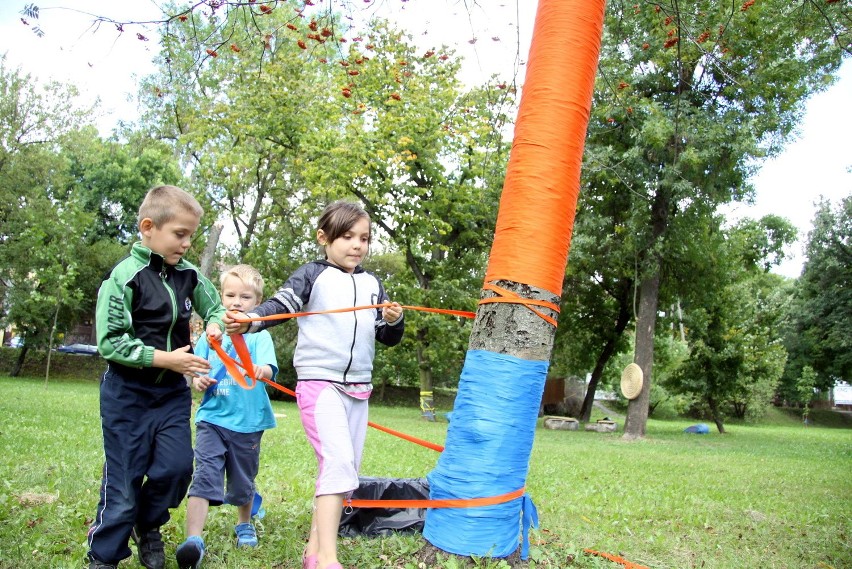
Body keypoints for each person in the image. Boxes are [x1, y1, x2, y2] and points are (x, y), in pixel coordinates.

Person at [225, 200, 404, 569]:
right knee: (338, 464)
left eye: (365, 238)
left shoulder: (373, 283)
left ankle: (312, 551)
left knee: (342, 473)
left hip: (360, 389)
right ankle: (327, 559)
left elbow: (385, 337)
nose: (357, 245)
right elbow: (282, 304)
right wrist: (250, 319)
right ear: (324, 238)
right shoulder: (312, 274)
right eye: (348, 237)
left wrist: (392, 319)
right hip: (320, 385)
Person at [87, 185, 227, 569]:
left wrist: (214, 327)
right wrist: (168, 360)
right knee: (124, 482)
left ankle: (147, 526)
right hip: (126, 395)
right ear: (149, 227)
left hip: (170, 397)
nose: (185, 244)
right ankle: (104, 556)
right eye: (179, 234)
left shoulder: (189, 275)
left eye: (190, 236)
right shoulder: (124, 277)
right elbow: (112, 343)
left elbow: (215, 308)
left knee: (176, 469)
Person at [175, 264, 279, 569]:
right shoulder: (211, 336)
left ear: (257, 302)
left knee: (242, 480)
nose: (236, 302)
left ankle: (244, 522)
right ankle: (193, 540)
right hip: (212, 419)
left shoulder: (260, 337)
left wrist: (262, 370)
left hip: (248, 422)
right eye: (230, 295)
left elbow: (270, 370)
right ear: (220, 298)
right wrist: (199, 381)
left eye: (245, 297)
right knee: (205, 474)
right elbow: (198, 373)